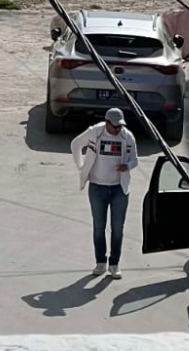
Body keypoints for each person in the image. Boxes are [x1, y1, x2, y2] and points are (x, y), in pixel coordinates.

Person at [71, 108, 139, 278]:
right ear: (107, 123)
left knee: (117, 228)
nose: (117, 129)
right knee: (99, 227)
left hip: (119, 189)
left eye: (120, 126)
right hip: (97, 187)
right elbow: (75, 144)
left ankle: (114, 264)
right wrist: (81, 167)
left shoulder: (127, 136)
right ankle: (100, 262)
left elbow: (134, 159)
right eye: (114, 126)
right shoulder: (95, 132)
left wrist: (127, 166)